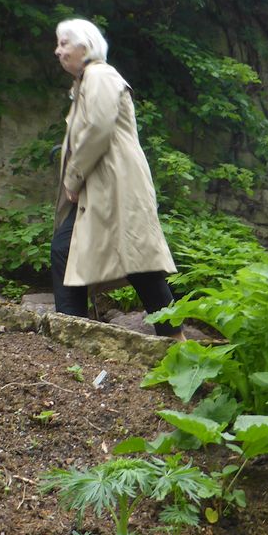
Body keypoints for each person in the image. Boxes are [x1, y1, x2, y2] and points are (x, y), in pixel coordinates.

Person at [50, 18, 182, 338]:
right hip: (104, 186)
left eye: (64, 43)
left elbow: (98, 127)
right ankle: (73, 334)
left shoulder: (100, 74)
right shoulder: (87, 82)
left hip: (116, 184)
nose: (57, 51)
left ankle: (175, 337)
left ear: (86, 45)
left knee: (136, 260)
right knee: (69, 249)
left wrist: (73, 177)